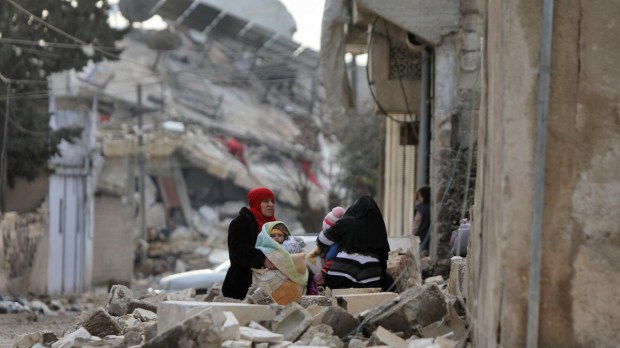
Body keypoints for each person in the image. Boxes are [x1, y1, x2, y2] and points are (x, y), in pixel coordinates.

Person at [316, 196, 393, 290]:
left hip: (339, 277)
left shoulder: (347, 221)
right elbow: (383, 259)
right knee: (390, 282)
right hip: (371, 280)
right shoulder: (379, 228)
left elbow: (322, 239)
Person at [222, 187, 278, 300]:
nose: (270, 204)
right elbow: (238, 250)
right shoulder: (240, 223)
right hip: (243, 285)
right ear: (256, 203)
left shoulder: (275, 225)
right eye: (265, 201)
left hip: (271, 285)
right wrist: (262, 259)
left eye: (272, 201)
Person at [412, 186, 431, 257]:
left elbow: (417, 223)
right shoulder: (431, 207)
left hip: (423, 237)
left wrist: (412, 235)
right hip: (429, 237)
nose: (418, 198)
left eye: (420, 196)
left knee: (422, 255)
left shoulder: (421, 209)